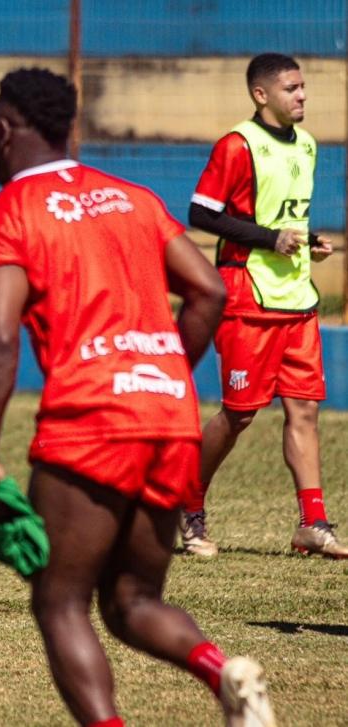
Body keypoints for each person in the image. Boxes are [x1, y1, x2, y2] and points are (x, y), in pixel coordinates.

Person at [0, 68, 275, 726]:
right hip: (170, 414)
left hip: (91, 419)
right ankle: (225, 672)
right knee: (133, 600)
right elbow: (210, 293)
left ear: (3, 132)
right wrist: (161, 368)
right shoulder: (131, 197)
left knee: (60, 601)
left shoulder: (6, 217)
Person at [182, 52, 346, 558]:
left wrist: (307, 241)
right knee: (239, 414)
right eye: (291, 89)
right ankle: (188, 507)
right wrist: (268, 239)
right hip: (247, 298)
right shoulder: (237, 146)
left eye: (303, 88)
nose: (302, 96)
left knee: (304, 410)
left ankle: (312, 524)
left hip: (297, 299)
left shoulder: (309, 145)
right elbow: (201, 212)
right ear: (261, 95)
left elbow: (284, 215)